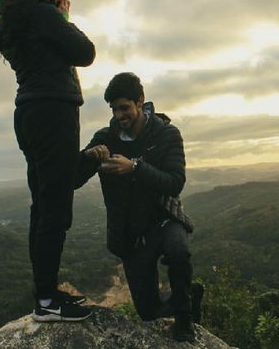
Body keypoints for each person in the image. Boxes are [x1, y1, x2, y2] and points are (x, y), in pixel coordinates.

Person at [0, 0, 95, 322]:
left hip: (30, 114)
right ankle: (47, 301)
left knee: (42, 205)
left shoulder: (18, 20)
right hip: (53, 113)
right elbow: (85, 52)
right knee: (55, 208)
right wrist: (63, 15)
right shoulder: (44, 14)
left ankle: (45, 293)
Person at [74, 72, 203, 342]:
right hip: (131, 233)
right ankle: (189, 296)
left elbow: (175, 182)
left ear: (140, 101)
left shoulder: (166, 134)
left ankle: (184, 318)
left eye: (124, 108)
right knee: (147, 311)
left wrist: (134, 168)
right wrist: (87, 158)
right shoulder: (105, 137)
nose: (120, 115)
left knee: (178, 252)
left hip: (165, 218)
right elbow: (74, 179)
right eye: (114, 109)